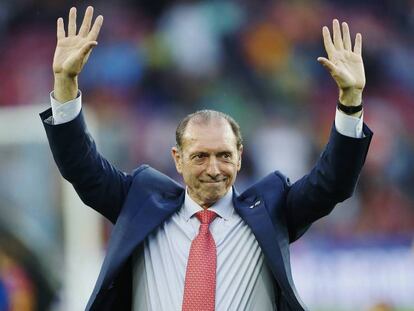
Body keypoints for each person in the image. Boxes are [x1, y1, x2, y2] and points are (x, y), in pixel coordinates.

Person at [40, 6, 372, 311]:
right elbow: (82, 168)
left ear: (240, 157)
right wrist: (65, 84)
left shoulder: (272, 211)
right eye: (200, 156)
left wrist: (351, 100)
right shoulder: (140, 202)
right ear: (177, 159)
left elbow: (332, 183)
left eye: (224, 155)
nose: (213, 168)